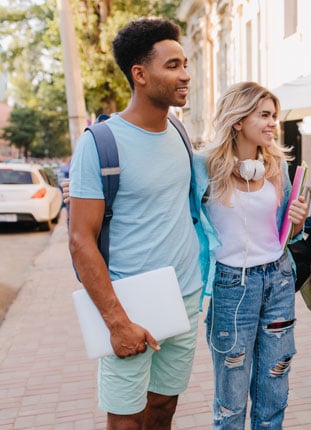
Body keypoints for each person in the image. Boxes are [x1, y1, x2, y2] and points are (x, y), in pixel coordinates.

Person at [68, 18, 203, 429]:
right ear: (140, 75)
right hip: (130, 304)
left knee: (163, 407)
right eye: (173, 65)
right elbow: (80, 240)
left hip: (186, 296)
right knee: (126, 418)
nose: (185, 74)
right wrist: (117, 322)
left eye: (185, 63)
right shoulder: (99, 143)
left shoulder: (179, 132)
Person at [198, 81, 308, 429]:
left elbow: (285, 235)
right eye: (264, 115)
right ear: (238, 119)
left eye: (274, 116)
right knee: (230, 402)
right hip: (232, 287)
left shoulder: (278, 168)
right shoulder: (204, 167)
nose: (273, 123)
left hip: (277, 280)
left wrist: (296, 222)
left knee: (274, 391)